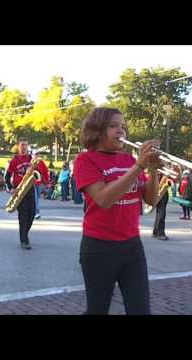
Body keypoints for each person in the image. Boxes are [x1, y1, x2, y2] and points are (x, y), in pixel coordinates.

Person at [73, 107, 161, 315]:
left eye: (122, 126)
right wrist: (139, 166)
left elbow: (150, 199)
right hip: (99, 248)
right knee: (97, 310)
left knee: (141, 310)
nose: (121, 131)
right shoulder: (85, 160)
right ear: (97, 130)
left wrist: (153, 169)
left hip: (132, 246)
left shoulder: (129, 161)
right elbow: (104, 199)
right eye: (113, 126)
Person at [5, 139, 48, 250]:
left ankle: (25, 234)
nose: (24, 147)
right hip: (19, 190)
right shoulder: (14, 160)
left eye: (26, 145)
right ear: (18, 147)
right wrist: (10, 188)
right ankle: (24, 239)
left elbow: (38, 172)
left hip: (30, 189)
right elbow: (7, 176)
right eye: (22, 145)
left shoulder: (31, 159)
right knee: (23, 216)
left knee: (32, 213)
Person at [152, 173, 174, 241]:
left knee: (159, 212)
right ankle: (160, 233)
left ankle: (155, 231)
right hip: (159, 190)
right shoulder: (160, 168)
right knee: (161, 213)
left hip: (161, 190)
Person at [31, 150, 49, 219]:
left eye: (37, 154)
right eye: (35, 154)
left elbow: (45, 172)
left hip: (39, 182)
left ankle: (33, 211)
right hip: (31, 183)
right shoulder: (30, 162)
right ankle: (36, 212)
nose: (36, 155)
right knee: (35, 198)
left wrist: (47, 182)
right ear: (32, 155)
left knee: (37, 197)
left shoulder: (41, 162)